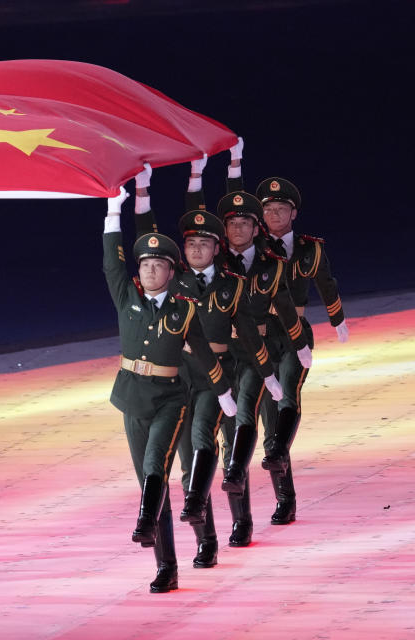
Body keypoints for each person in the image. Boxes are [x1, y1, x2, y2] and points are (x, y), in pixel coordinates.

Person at [133, 162, 281, 569]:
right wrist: (142, 191)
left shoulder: (231, 279)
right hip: (182, 379)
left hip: (225, 372)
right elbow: (149, 236)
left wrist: (267, 373)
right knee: (189, 460)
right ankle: (206, 540)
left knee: (231, 450)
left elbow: (248, 329)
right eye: (190, 243)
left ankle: (242, 520)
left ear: (217, 247)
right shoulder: (174, 281)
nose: (196, 248)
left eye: (205, 242)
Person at [102, 180, 235, 594]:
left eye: (160, 264)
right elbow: (120, 257)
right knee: (153, 477)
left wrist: (224, 392)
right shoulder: (133, 296)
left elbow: (203, 349)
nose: (152, 269)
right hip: (136, 396)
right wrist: (115, 209)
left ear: (172, 270)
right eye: (146, 264)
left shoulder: (184, 301)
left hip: (178, 394)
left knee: (184, 467)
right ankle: (167, 565)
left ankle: (206, 539)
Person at [187, 140, 311, 545]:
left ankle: (284, 497)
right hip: (229, 356)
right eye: (229, 224)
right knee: (229, 435)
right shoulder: (218, 260)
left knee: (271, 425)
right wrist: (214, 167)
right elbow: (211, 207)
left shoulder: (270, 259)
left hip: (266, 349)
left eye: (245, 222)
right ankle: (242, 521)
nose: (235, 229)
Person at [255, 175, 348, 525]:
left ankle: (279, 449)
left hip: (296, 334)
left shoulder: (310, 249)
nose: (275, 215)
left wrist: (337, 319)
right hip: (262, 337)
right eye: (268, 209)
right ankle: (285, 499)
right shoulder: (253, 250)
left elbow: (326, 283)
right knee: (268, 417)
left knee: (289, 394)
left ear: (293, 213)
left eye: (281, 209)